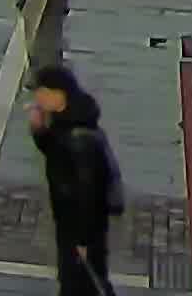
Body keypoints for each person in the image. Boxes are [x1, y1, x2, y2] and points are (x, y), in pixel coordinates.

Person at [27, 63, 124, 295]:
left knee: (82, 285)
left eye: (41, 93)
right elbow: (56, 153)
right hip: (70, 225)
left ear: (57, 93)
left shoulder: (80, 139)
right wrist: (39, 130)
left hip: (81, 230)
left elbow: (88, 193)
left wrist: (83, 240)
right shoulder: (67, 121)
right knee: (79, 282)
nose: (37, 99)